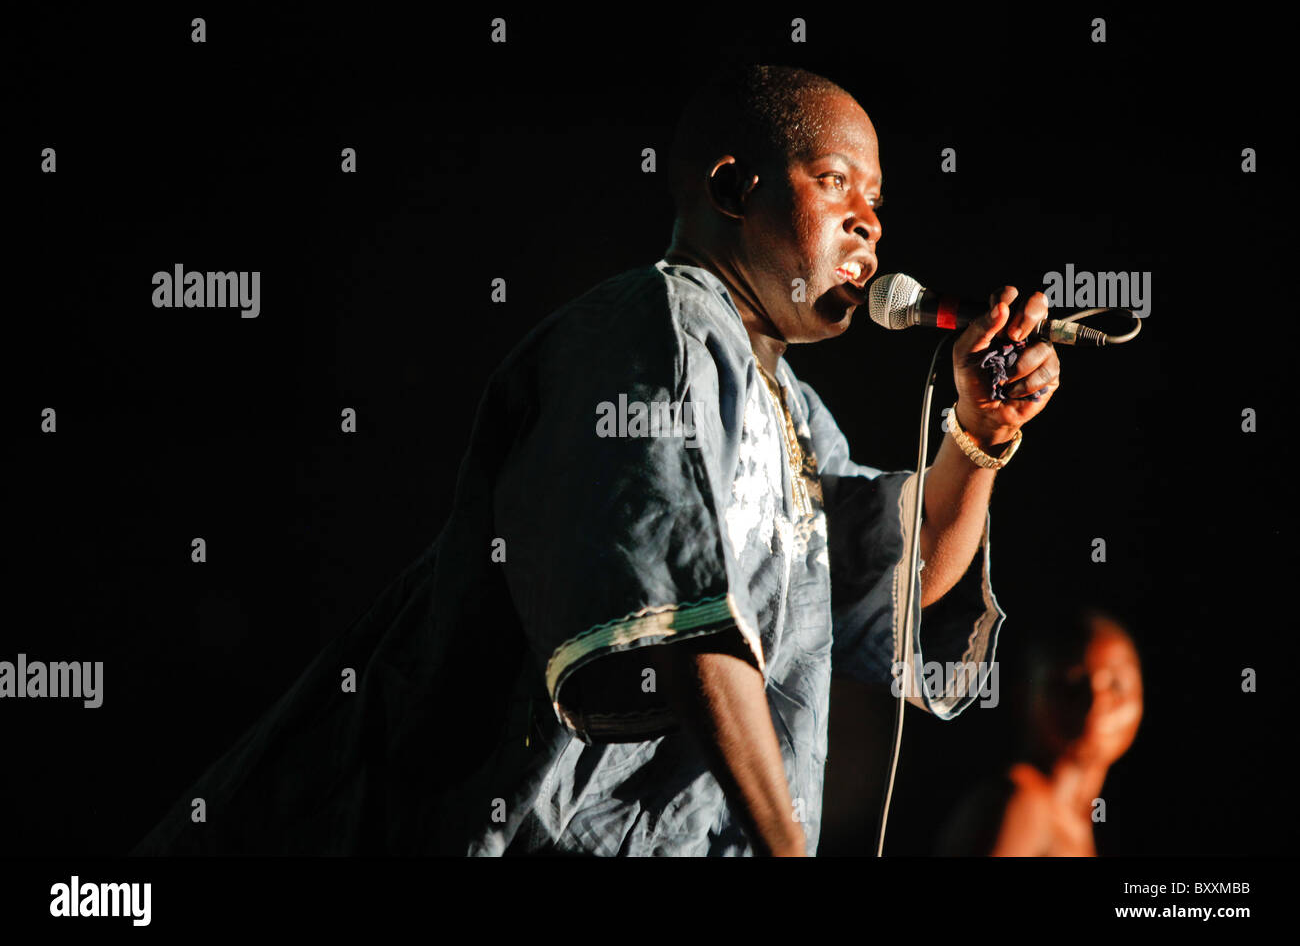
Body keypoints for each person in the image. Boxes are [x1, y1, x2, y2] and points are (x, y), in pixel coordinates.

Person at [132, 64, 1061, 857]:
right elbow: (680, 620)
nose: (868, 225)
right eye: (834, 183)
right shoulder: (650, 331)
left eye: (878, 205)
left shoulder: (795, 413)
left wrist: (976, 436)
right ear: (735, 189)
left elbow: (909, 576)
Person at [938, 611, 1143, 856]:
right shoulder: (1021, 804)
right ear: (1023, 697)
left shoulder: (1073, 822)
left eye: (1116, 685)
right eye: (1070, 683)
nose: (1095, 702)